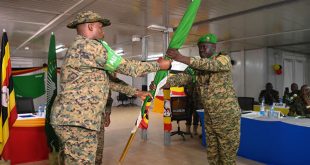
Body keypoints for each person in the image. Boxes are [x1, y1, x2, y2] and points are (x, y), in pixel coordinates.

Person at [50, 10, 171, 164]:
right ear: (91, 26)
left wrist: (135, 92)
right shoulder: (89, 46)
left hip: (73, 119)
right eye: (100, 27)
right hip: (79, 120)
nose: (103, 31)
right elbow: (127, 67)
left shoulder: (79, 47)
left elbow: (107, 81)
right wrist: (159, 65)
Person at [165, 33, 241, 164]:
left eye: (205, 47)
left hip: (226, 117)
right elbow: (182, 77)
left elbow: (211, 65)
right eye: (200, 47)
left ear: (214, 47)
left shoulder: (223, 59)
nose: (201, 50)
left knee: (227, 156)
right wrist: (162, 83)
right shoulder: (196, 67)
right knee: (212, 154)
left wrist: (180, 57)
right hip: (210, 117)